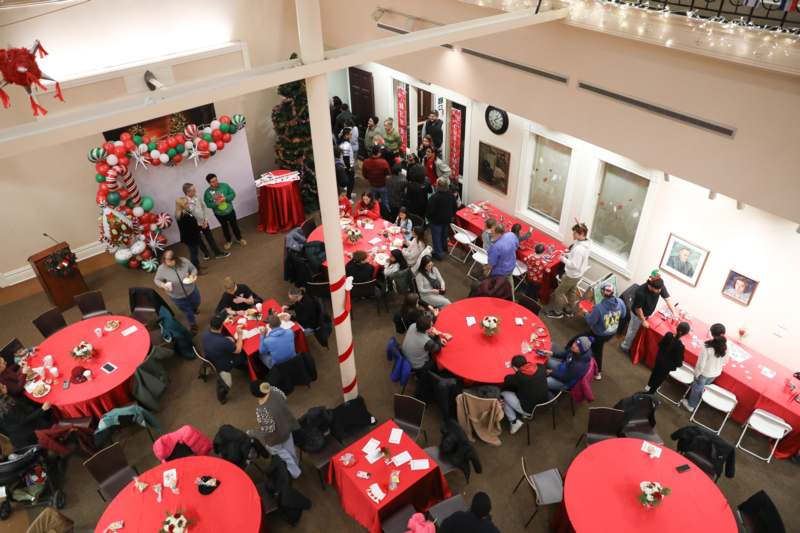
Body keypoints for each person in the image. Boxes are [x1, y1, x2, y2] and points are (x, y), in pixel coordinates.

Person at [249, 380, 302, 479]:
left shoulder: (262, 410)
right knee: (290, 449)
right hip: (286, 427)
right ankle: (296, 464)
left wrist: (253, 433)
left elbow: (268, 429)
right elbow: (284, 398)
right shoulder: (275, 390)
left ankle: (295, 472)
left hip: (275, 438)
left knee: (283, 455)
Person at [620, 271, 679, 353]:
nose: (659, 291)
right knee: (633, 331)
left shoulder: (659, 286)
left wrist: (675, 312)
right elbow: (638, 309)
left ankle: (633, 347)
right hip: (637, 315)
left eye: (660, 289)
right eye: (657, 290)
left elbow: (667, 299)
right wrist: (643, 320)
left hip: (647, 313)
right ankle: (625, 346)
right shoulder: (641, 292)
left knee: (639, 331)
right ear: (650, 286)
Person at [581, 283, 627, 380]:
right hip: (611, 333)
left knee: (597, 351)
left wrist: (585, 313)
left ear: (602, 292)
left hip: (599, 334)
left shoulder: (599, 308)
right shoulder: (620, 302)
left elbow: (590, 322)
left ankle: (598, 373)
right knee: (589, 343)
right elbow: (623, 316)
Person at [545, 222, 591, 319]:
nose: (573, 235)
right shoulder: (585, 243)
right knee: (572, 292)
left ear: (581, 234)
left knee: (558, 293)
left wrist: (562, 259)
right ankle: (569, 310)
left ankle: (558, 312)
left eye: (575, 233)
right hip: (578, 275)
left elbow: (574, 265)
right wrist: (568, 255)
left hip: (571, 275)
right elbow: (576, 257)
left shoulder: (579, 249)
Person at [681, 323, 729, 412]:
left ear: (712, 333)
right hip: (715, 373)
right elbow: (725, 361)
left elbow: (701, 364)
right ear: (723, 333)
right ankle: (696, 401)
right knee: (702, 387)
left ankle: (691, 405)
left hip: (704, 373)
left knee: (697, 388)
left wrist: (696, 374)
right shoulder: (727, 346)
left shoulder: (707, 346)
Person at [502, 355, 551, 435]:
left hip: (530, 409)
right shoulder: (541, 367)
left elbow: (507, 380)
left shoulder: (517, 378)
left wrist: (516, 371)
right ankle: (520, 417)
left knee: (503, 394)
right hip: (545, 402)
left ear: (515, 367)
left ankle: (514, 422)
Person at [154, 249, 201, 332]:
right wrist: (163, 285)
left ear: (176, 259)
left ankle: (194, 308)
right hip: (177, 296)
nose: (168, 263)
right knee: (188, 311)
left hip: (191, 290)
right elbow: (157, 280)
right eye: (166, 260)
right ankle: (193, 324)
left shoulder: (184, 262)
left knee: (197, 302)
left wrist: (192, 276)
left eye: (170, 260)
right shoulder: (161, 269)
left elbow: (193, 269)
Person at [182, 183, 228, 260]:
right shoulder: (184, 202)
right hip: (194, 225)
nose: (195, 191)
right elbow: (188, 216)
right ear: (187, 192)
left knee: (210, 238)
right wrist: (198, 223)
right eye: (193, 190)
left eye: (194, 189)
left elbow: (203, 208)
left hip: (204, 222)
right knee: (199, 240)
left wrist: (205, 220)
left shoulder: (198, 197)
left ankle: (217, 253)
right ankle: (206, 253)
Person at [644, 321, 691, 394]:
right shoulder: (680, 346)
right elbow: (678, 362)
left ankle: (649, 385)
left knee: (655, 373)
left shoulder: (668, 334)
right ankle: (651, 392)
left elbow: (660, 344)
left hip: (659, 359)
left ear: (677, 328)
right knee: (660, 378)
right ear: (685, 334)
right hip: (667, 366)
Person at [203, 173, 246, 249]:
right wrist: (216, 203)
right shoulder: (207, 193)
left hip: (230, 211)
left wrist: (225, 198)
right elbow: (208, 204)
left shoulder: (224, 186)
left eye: (216, 180)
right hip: (219, 214)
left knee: (234, 225)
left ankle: (239, 238)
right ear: (209, 183)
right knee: (224, 227)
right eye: (213, 182)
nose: (215, 182)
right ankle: (228, 241)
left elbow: (233, 194)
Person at [426, 178, 458, 260]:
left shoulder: (434, 198)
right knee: (444, 235)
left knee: (436, 238)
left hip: (436, 222)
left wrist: (429, 218)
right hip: (447, 220)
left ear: (438, 186)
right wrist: (452, 216)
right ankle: (444, 248)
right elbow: (455, 207)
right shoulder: (451, 195)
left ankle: (439, 254)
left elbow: (430, 211)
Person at [175, 197, 205, 270]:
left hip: (190, 236)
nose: (188, 204)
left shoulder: (184, 212)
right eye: (186, 203)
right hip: (191, 237)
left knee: (194, 253)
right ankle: (195, 269)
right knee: (193, 254)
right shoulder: (184, 215)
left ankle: (197, 266)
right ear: (181, 205)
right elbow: (191, 227)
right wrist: (201, 227)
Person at [338, 128, 355, 196]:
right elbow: (346, 158)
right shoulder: (346, 145)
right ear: (346, 135)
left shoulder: (345, 144)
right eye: (350, 134)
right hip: (348, 166)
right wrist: (349, 168)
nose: (351, 136)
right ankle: (349, 196)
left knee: (350, 181)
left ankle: (349, 194)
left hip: (346, 166)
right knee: (350, 182)